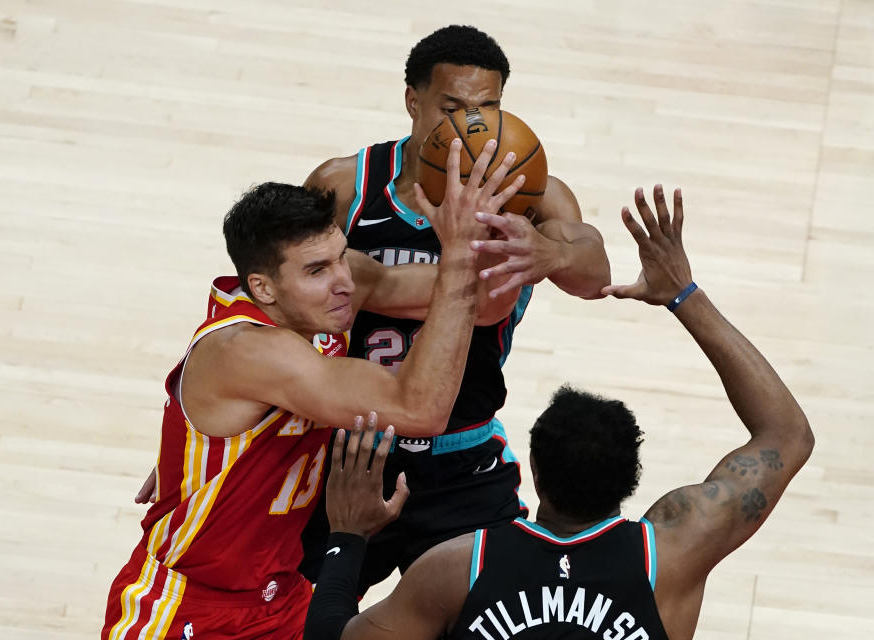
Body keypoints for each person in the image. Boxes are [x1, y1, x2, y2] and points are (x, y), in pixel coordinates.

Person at [303, 185, 815, 640]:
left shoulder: (460, 567)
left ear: (535, 474)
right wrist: (683, 294)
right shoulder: (672, 556)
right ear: (631, 479)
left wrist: (347, 536)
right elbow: (787, 435)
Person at [103, 141, 525, 640]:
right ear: (263, 289)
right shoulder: (249, 351)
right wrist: (455, 254)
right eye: (317, 271)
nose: (344, 281)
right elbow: (420, 409)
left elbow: (484, 305)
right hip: (191, 605)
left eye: (340, 257)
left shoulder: (329, 296)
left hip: (282, 597)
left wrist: (526, 247)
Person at [299, 23, 613, 595]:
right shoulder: (347, 185)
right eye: (451, 106)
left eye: (487, 107)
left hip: (462, 460)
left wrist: (547, 250)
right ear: (413, 102)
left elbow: (596, 274)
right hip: (352, 453)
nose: (470, 124)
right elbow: (278, 304)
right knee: (294, 618)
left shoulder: (529, 192)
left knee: (497, 619)